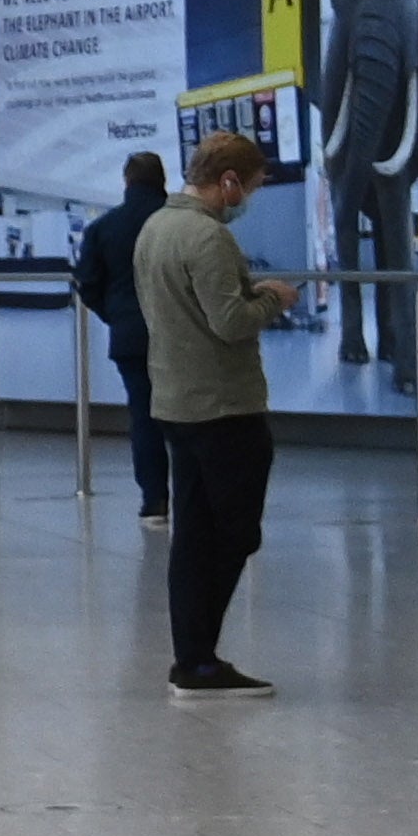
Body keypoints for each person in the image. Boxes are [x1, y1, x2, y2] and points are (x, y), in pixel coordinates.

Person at [133, 131, 298, 698]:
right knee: (234, 532)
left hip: (176, 403)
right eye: (249, 186)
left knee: (193, 534)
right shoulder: (209, 238)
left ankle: (193, 658)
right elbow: (229, 322)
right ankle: (200, 657)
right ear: (227, 181)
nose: (248, 196)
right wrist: (275, 297)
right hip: (225, 408)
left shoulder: (155, 228)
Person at [68, 151, 171, 521]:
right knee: (191, 418)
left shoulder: (103, 228)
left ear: (126, 182)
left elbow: (88, 284)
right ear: (163, 180)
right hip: (182, 337)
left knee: (144, 415)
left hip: (131, 337)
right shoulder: (183, 223)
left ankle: (155, 500)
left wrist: (117, 315)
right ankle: (197, 499)